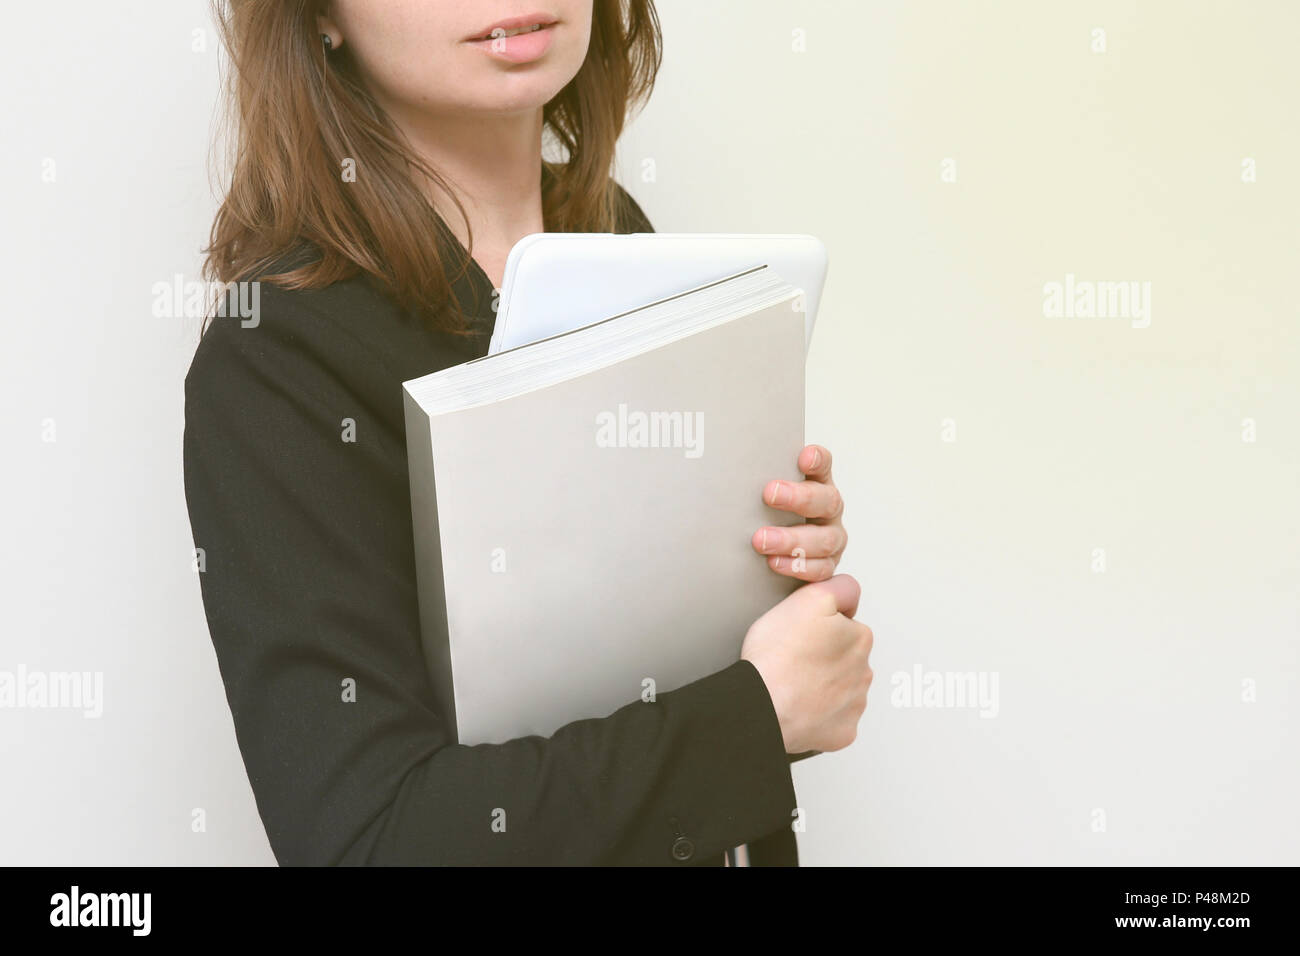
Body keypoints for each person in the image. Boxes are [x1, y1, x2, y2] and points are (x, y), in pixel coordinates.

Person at [182, 0, 874, 866]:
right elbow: (368, 841)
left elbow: (650, 703)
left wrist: (760, 580)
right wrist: (755, 717)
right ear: (320, 16)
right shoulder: (276, 361)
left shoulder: (620, 238)